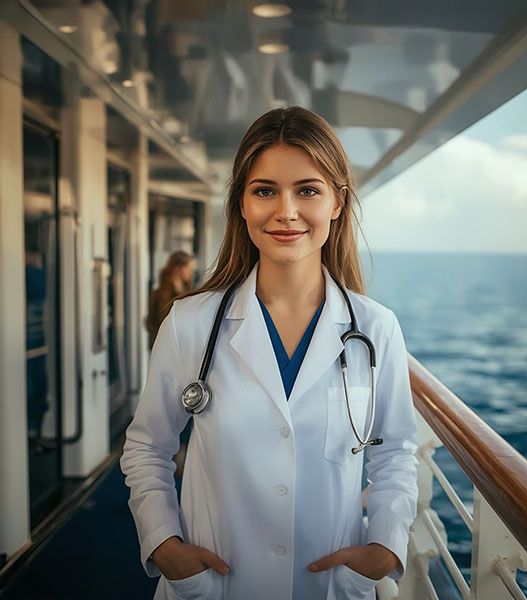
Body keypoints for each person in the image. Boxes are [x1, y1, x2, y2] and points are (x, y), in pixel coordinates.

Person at [121, 106, 418, 600]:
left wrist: (386, 544)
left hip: (327, 585)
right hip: (215, 585)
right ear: (241, 203)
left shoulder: (375, 329)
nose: (286, 211)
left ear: (337, 203)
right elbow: (147, 446)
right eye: (264, 191)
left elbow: (395, 453)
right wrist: (163, 543)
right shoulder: (190, 324)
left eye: (308, 190)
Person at [146, 250, 195, 348]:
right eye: (188, 268)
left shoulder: (191, 293)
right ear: (178, 268)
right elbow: (151, 322)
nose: (191, 273)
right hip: (166, 346)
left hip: (187, 346)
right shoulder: (159, 294)